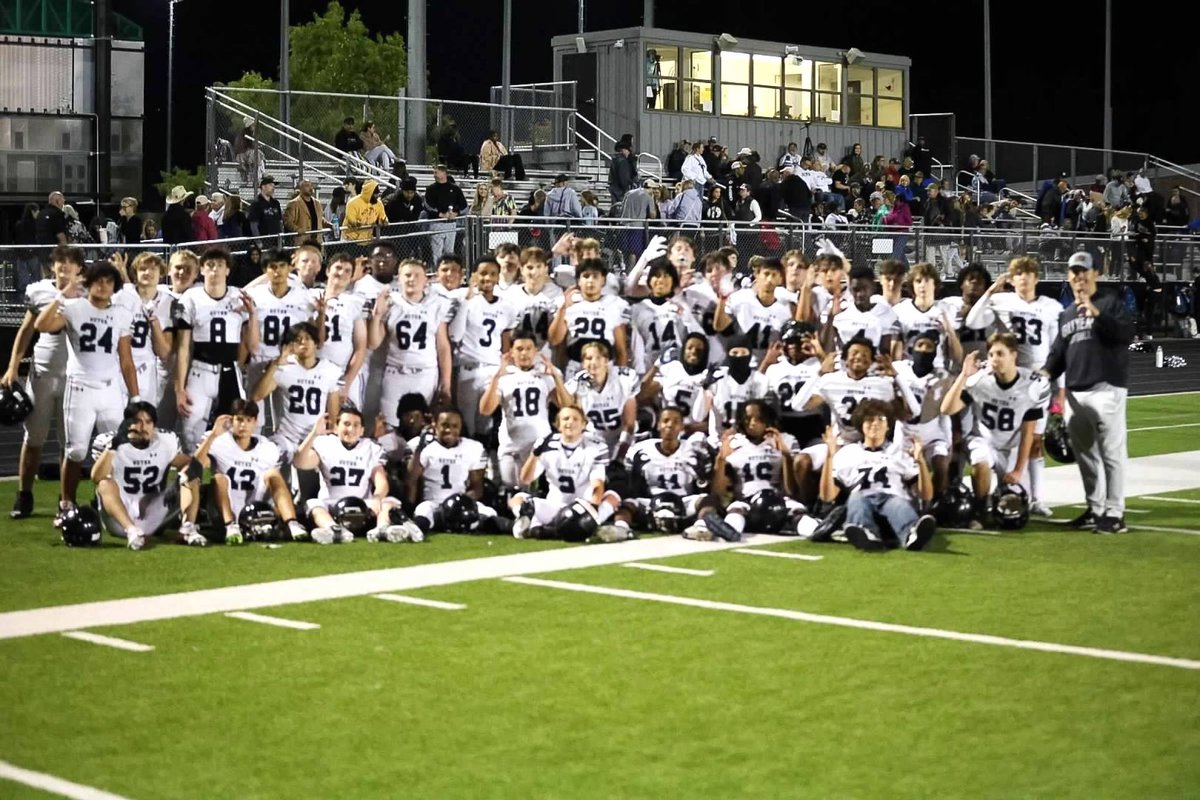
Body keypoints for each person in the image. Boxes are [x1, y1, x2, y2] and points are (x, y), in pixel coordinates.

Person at [34, 260, 138, 512]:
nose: (103, 286)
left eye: (108, 281)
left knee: (117, 450)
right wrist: (61, 295)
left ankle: (109, 501)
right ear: (88, 283)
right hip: (80, 388)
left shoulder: (121, 313)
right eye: (98, 280)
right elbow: (42, 325)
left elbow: (126, 359)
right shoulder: (74, 307)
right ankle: (66, 501)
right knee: (76, 451)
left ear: (114, 286)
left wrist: (135, 398)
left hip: (111, 389)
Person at [1041, 252, 1134, 534]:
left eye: (1084, 272)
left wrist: (1096, 312)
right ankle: (1095, 509)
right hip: (1075, 393)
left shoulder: (1111, 303)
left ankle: (1115, 513)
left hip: (1106, 387)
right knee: (1086, 456)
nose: (1079, 278)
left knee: (1112, 454)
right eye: (1074, 273)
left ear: (1096, 274)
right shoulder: (1066, 314)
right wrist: (1046, 372)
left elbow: (1125, 334)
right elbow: (1058, 352)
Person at [964, 257, 1063, 514]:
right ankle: (1003, 489)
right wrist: (990, 291)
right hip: (1007, 376)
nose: (1023, 278)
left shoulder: (1051, 306)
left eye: (1028, 273)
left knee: (1035, 441)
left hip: (1038, 379)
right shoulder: (1002, 300)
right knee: (1006, 435)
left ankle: (1037, 498)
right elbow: (973, 322)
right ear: (1012, 278)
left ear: (1036, 278)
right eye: (1018, 273)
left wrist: (1060, 388)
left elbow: (1056, 348)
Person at [2, 245, 83, 518]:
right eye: (60, 264)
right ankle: (24, 494)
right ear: (53, 267)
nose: (64, 269)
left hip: (75, 376)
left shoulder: (88, 292)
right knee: (33, 437)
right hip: (43, 373)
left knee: (68, 443)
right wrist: (13, 366)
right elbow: (26, 331)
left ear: (79, 268)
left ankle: (66, 501)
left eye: (70, 264)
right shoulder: (40, 291)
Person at [942, 333, 1048, 528]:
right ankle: (981, 511)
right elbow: (946, 409)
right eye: (991, 354)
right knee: (981, 462)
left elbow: (1028, 433)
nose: (994, 359)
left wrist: (1018, 469)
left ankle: (996, 502)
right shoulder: (980, 379)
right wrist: (964, 375)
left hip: (1011, 446)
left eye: (1000, 354)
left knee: (1012, 512)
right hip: (984, 439)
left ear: (1013, 355)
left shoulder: (1032, 385)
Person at [820, 399, 937, 552]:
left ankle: (912, 534)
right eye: (869, 420)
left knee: (897, 503)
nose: (875, 424)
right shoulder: (847, 453)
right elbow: (827, 496)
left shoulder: (900, 452)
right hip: (862, 503)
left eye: (881, 419)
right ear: (860, 425)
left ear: (888, 425)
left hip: (892, 504)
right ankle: (866, 534)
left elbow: (926, 495)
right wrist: (829, 457)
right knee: (857, 498)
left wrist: (921, 462)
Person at [173, 246, 260, 452]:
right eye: (210, 265)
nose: (215, 270)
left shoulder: (239, 297)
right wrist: (179, 388)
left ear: (227, 270)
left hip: (230, 371)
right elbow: (184, 347)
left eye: (220, 265)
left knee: (236, 430)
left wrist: (253, 315)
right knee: (190, 434)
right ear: (201, 269)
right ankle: (192, 482)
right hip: (199, 370)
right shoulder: (191, 298)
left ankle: (225, 481)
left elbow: (254, 345)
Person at [91, 401, 204, 549]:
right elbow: (97, 477)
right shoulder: (111, 442)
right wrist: (113, 447)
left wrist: (182, 480)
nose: (143, 427)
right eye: (137, 421)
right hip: (120, 518)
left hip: (155, 511)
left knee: (191, 477)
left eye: (148, 422)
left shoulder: (165, 442)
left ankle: (188, 527)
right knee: (105, 484)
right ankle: (132, 532)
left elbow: (192, 465)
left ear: (154, 426)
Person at [508, 404, 627, 542]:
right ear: (558, 425)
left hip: (583, 506)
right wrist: (535, 454)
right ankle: (535, 527)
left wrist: (590, 512)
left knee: (613, 497)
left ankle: (544, 528)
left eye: (575, 419)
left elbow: (597, 486)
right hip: (554, 506)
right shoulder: (546, 444)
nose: (570, 422)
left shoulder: (596, 447)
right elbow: (526, 479)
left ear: (584, 424)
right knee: (518, 498)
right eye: (565, 419)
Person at [194, 399, 308, 544]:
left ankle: (292, 523)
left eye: (248, 420)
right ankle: (231, 527)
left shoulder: (267, 448)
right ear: (231, 420)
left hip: (257, 511)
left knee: (273, 473)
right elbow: (195, 465)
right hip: (223, 510)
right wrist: (213, 436)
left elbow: (274, 488)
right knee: (219, 478)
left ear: (255, 422)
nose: (243, 425)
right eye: (239, 420)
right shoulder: (219, 441)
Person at [367, 258, 453, 424]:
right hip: (396, 373)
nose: (411, 279)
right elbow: (373, 343)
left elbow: (443, 347)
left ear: (426, 280)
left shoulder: (436, 304)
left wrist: (446, 382)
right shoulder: (391, 303)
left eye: (416, 275)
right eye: (407, 275)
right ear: (398, 279)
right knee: (389, 425)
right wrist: (377, 316)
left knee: (423, 426)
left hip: (425, 374)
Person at [406, 407, 509, 535]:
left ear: (461, 427)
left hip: (461, 504)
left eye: (455, 426)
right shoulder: (423, 446)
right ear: (435, 425)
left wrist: (461, 502)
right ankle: (414, 532)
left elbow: (477, 489)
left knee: (488, 512)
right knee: (423, 509)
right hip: (435, 505)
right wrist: (420, 449)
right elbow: (411, 480)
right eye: (445, 425)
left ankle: (518, 528)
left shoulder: (472, 448)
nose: (450, 430)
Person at [449, 258, 519, 437]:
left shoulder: (507, 306)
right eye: (483, 273)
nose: (487, 277)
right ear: (474, 275)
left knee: (488, 424)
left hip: (493, 371)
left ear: (498, 277)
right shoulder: (463, 298)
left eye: (492, 274)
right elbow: (454, 335)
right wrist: (466, 302)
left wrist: (505, 369)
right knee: (466, 425)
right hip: (468, 368)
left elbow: (506, 345)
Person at [614, 406, 710, 536]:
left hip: (683, 502)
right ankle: (621, 528)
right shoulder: (641, 450)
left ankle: (700, 528)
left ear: (682, 427)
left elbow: (703, 487)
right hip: (651, 502)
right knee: (628, 503)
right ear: (658, 425)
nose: (670, 425)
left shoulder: (694, 451)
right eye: (665, 421)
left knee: (707, 500)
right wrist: (636, 474)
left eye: (676, 422)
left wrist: (701, 476)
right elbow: (632, 486)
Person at [547, 258, 630, 372]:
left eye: (595, 276)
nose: (590, 281)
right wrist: (563, 308)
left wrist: (621, 376)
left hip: (605, 369)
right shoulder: (568, 304)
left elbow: (621, 351)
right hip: (575, 368)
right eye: (586, 276)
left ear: (603, 280)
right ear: (578, 280)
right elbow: (554, 340)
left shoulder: (614, 305)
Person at [116, 253, 175, 412]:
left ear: (161, 273)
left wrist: (154, 324)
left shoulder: (168, 302)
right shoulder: (122, 295)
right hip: (117, 365)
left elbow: (164, 352)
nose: (147, 273)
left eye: (153, 269)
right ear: (135, 273)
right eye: (143, 269)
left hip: (146, 367)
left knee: (144, 419)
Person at [565, 339, 639, 460]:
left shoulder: (624, 379)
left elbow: (629, 424)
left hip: (622, 440)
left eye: (598, 358)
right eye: (588, 358)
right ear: (583, 363)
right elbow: (577, 419)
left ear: (606, 360)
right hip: (593, 442)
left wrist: (620, 454)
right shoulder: (578, 382)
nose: (593, 362)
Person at [714, 257, 793, 361]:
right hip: (739, 360)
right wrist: (722, 300)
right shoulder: (740, 298)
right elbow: (719, 326)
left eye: (774, 275)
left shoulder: (786, 309)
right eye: (766, 274)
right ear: (757, 275)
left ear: (780, 279)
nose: (769, 279)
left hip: (769, 365)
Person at [425, 165, 468, 263]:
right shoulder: (431, 189)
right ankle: (437, 273)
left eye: (436, 172)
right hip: (436, 223)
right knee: (437, 253)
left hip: (451, 224)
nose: (434, 175)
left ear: (444, 173)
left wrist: (456, 214)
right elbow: (427, 206)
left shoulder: (455, 188)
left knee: (449, 252)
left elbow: (464, 205)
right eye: (434, 172)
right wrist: (441, 214)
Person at [608, 140, 638, 205]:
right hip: (621, 193)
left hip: (614, 190)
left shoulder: (615, 160)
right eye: (628, 151)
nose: (629, 153)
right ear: (624, 150)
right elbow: (624, 179)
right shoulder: (623, 162)